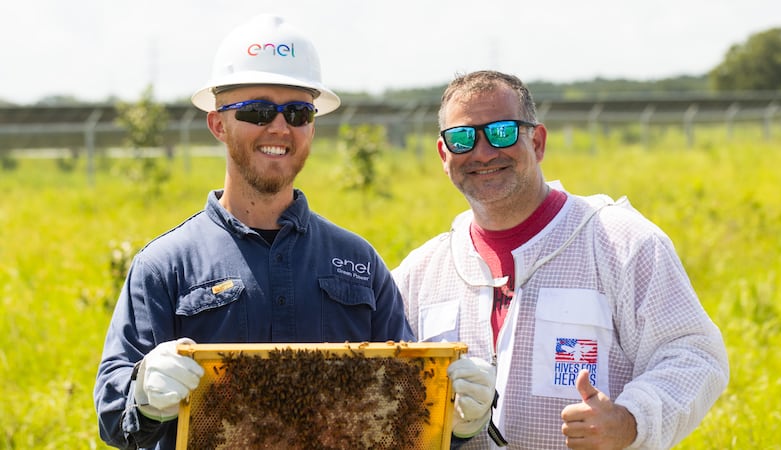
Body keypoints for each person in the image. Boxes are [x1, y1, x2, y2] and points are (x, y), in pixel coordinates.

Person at [93, 15, 413, 450]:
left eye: (298, 112)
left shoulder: (359, 261)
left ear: (312, 126)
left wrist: (461, 417)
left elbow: (411, 402)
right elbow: (114, 420)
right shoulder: (165, 265)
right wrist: (144, 393)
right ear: (218, 124)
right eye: (257, 111)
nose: (279, 127)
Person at [392, 70, 729, 449]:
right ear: (444, 154)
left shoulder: (622, 243)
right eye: (463, 138)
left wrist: (629, 420)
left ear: (537, 142)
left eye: (502, 132)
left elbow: (693, 354)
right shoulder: (421, 273)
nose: (483, 153)